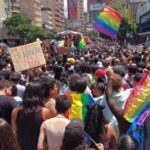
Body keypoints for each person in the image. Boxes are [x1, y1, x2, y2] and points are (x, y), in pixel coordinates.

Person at [11, 82, 50, 150]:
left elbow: (14, 132)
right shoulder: (45, 111)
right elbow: (48, 134)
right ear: (40, 94)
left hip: (21, 147)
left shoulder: (15, 111)